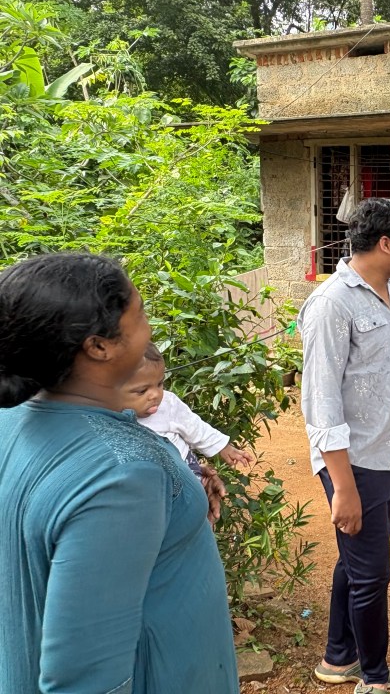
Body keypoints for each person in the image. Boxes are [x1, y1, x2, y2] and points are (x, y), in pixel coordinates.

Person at [0, 252, 238, 694]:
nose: (149, 325)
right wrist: (160, 483)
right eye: (140, 313)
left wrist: (181, 484)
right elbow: (86, 678)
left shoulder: (13, 420)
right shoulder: (124, 475)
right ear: (99, 346)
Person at [298, 198, 390, 693]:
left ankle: (338, 658)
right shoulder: (331, 305)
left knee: (356, 563)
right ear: (385, 244)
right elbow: (321, 402)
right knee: (373, 574)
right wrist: (343, 487)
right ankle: (373, 678)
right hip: (353, 462)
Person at [122, 342, 255, 474]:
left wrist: (223, 447)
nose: (156, 394)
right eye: (142, 390)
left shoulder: (168, 404)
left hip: (185, 468)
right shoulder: (112, 418)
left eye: (160, 384)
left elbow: (194, 426)